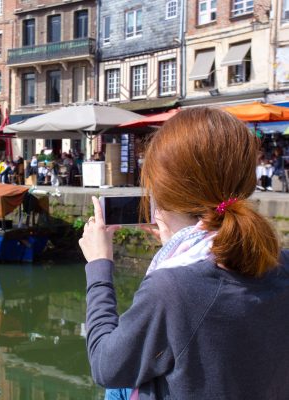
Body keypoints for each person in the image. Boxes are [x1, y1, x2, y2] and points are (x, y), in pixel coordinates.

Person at [79, 107, 289, 400]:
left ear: (162, 193)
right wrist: (174, 247)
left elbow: (106, 366)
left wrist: (99, 267)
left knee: (117, 389)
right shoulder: (281, 261)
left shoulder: (172, 288)